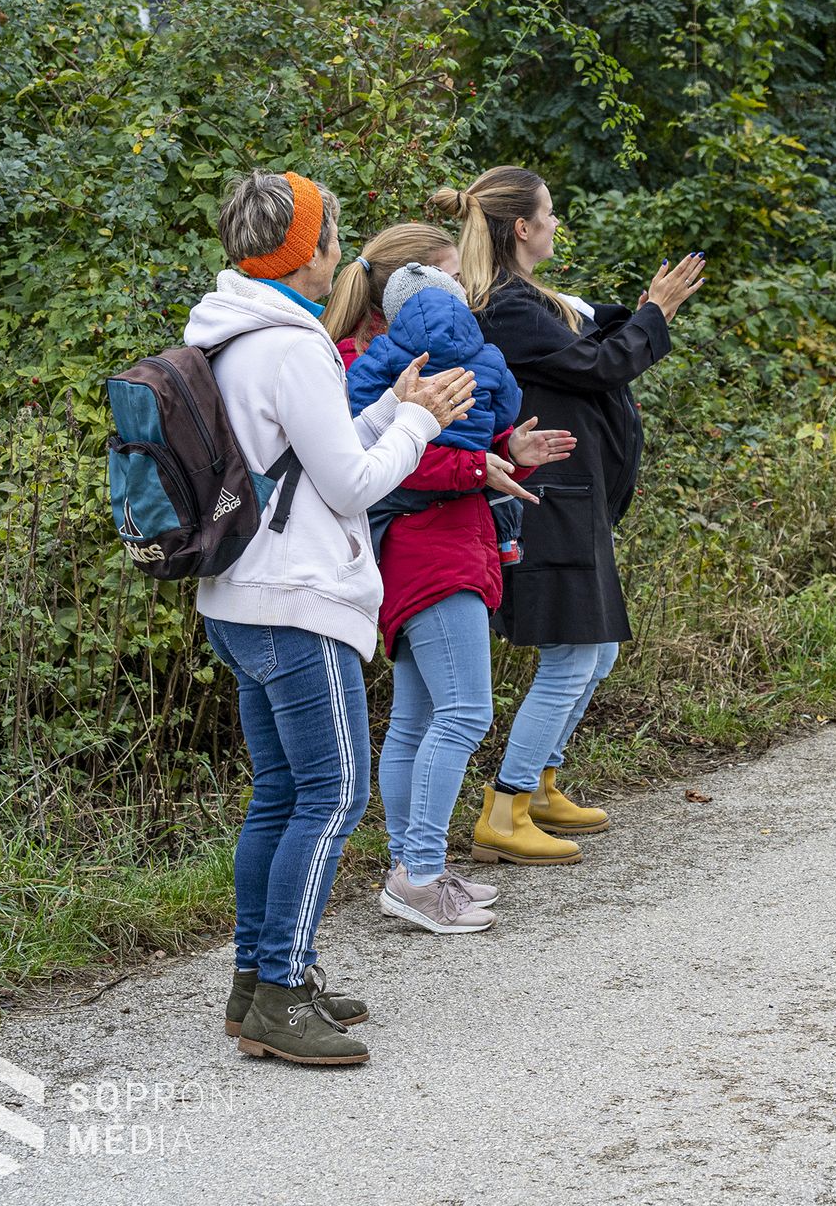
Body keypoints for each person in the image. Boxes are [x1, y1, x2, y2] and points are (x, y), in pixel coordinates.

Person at [188, 171, 475, 1065]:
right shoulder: (293, 345)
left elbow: (310, 453)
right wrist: (421, 426)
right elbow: (353, 483)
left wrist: (393, 404)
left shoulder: (232, 334)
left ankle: (262, 981)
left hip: (240, 594)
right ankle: (280, 994)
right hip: (298, 600)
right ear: (305, 250)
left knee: (279, 793)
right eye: (331, 233)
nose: (340, 248)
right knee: (332, 793)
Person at [438, 167, 707, 865]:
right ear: (521, 227)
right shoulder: (505, 307)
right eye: (549, 214)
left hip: (572, 497)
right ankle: (506, 807)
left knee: (598, 648)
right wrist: (658, 312)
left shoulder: (530, 299)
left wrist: (643, 308)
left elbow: (592, 342)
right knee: (574, 653)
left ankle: (545, 783)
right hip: (548, 501)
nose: (558, 224)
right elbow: (602, 365)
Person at [345, 259, 576, 932]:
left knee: (417, 720)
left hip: (413, 555)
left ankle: (412, 870)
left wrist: (511, 449)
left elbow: (454, 444)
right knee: (465, 713)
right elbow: (402, 459)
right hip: (437, 556)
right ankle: (418, 872)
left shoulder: (375, 360)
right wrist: (485, 463)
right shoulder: (431, 365)